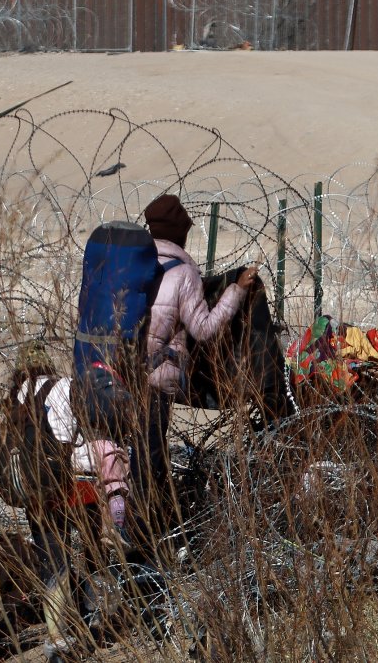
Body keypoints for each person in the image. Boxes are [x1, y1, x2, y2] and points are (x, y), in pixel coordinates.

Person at [140, 194, 256, 541]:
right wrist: (235, 292)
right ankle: (150, 535)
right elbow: (203, 329)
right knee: (152, 460)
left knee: (127, 454)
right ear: (181, 233)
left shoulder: (132, 263)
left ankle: (124, 523)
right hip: (159, 377)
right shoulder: (183, 272)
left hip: (121, 372)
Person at [9, 340, 130, 660]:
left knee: (54, 566)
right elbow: (79, 430)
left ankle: (56, 642)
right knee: (93, 552)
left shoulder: (14, 400)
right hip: (79, 485)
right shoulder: (64, 385)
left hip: (37, 494)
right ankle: (94, 618)